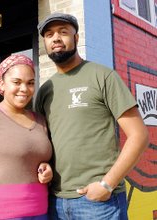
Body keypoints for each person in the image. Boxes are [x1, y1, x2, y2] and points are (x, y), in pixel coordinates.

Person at [35, 13, 149, 220]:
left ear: (76, 38)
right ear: (45, 43)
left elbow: (139, 135)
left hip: (99, 202)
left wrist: (107, 184)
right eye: (49, 34)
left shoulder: (103, 76)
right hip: (56, 201)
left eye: (63, 32)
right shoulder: (45, 90)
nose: (56, 38)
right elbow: (42, 142)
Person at [0, 54, 53, 220]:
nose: (24, 89)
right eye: (17, 82)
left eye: (30, 83)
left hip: (39, 211)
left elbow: (30, 157)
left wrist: (46, 168)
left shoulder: (40, 120)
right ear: (1, 84)